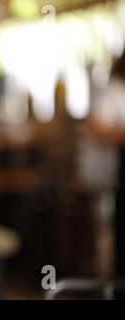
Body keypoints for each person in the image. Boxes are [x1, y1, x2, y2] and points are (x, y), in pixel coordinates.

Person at [88, 51, 125, 282]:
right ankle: (110, 281)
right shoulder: (114, 89)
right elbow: (95, 125)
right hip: (107, 175)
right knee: (111, 232)